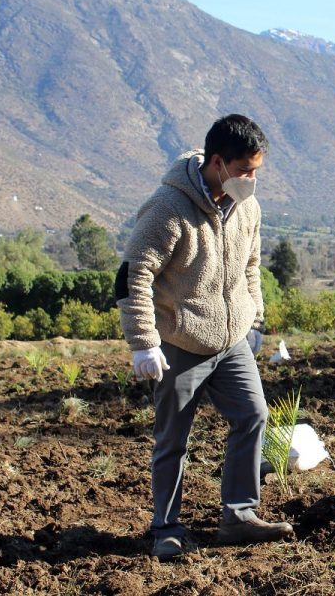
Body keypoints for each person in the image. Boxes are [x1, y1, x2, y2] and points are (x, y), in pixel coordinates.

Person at [115, 114, 294, 561]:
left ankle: (239, 515)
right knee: (173, 439)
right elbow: (134, 275)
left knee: (252, 415)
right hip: (181, 342)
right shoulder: (168, 209)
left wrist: (254, 320)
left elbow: (251, 268)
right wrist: (144, 342)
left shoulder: (247, 208)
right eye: (245, 170)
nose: (252, 180)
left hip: (232, 341)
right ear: (218, 162)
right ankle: (166, 528)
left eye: (257, 170)